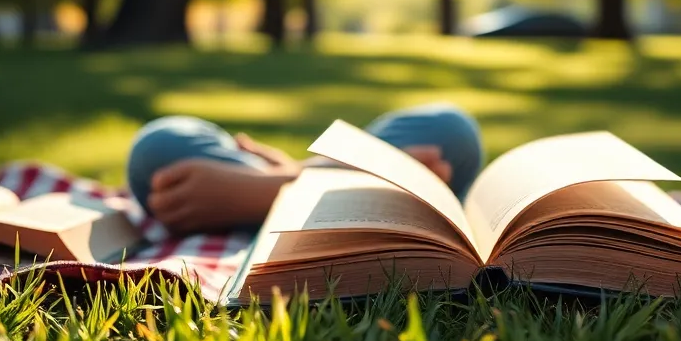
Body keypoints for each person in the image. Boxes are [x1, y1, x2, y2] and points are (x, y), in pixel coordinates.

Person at [126, 103, 484, 234]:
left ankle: (287, 185)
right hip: (366, 180)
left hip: (255, 185)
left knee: (454, 134)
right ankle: (340, 178)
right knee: (156, 149)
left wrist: (267, 189)